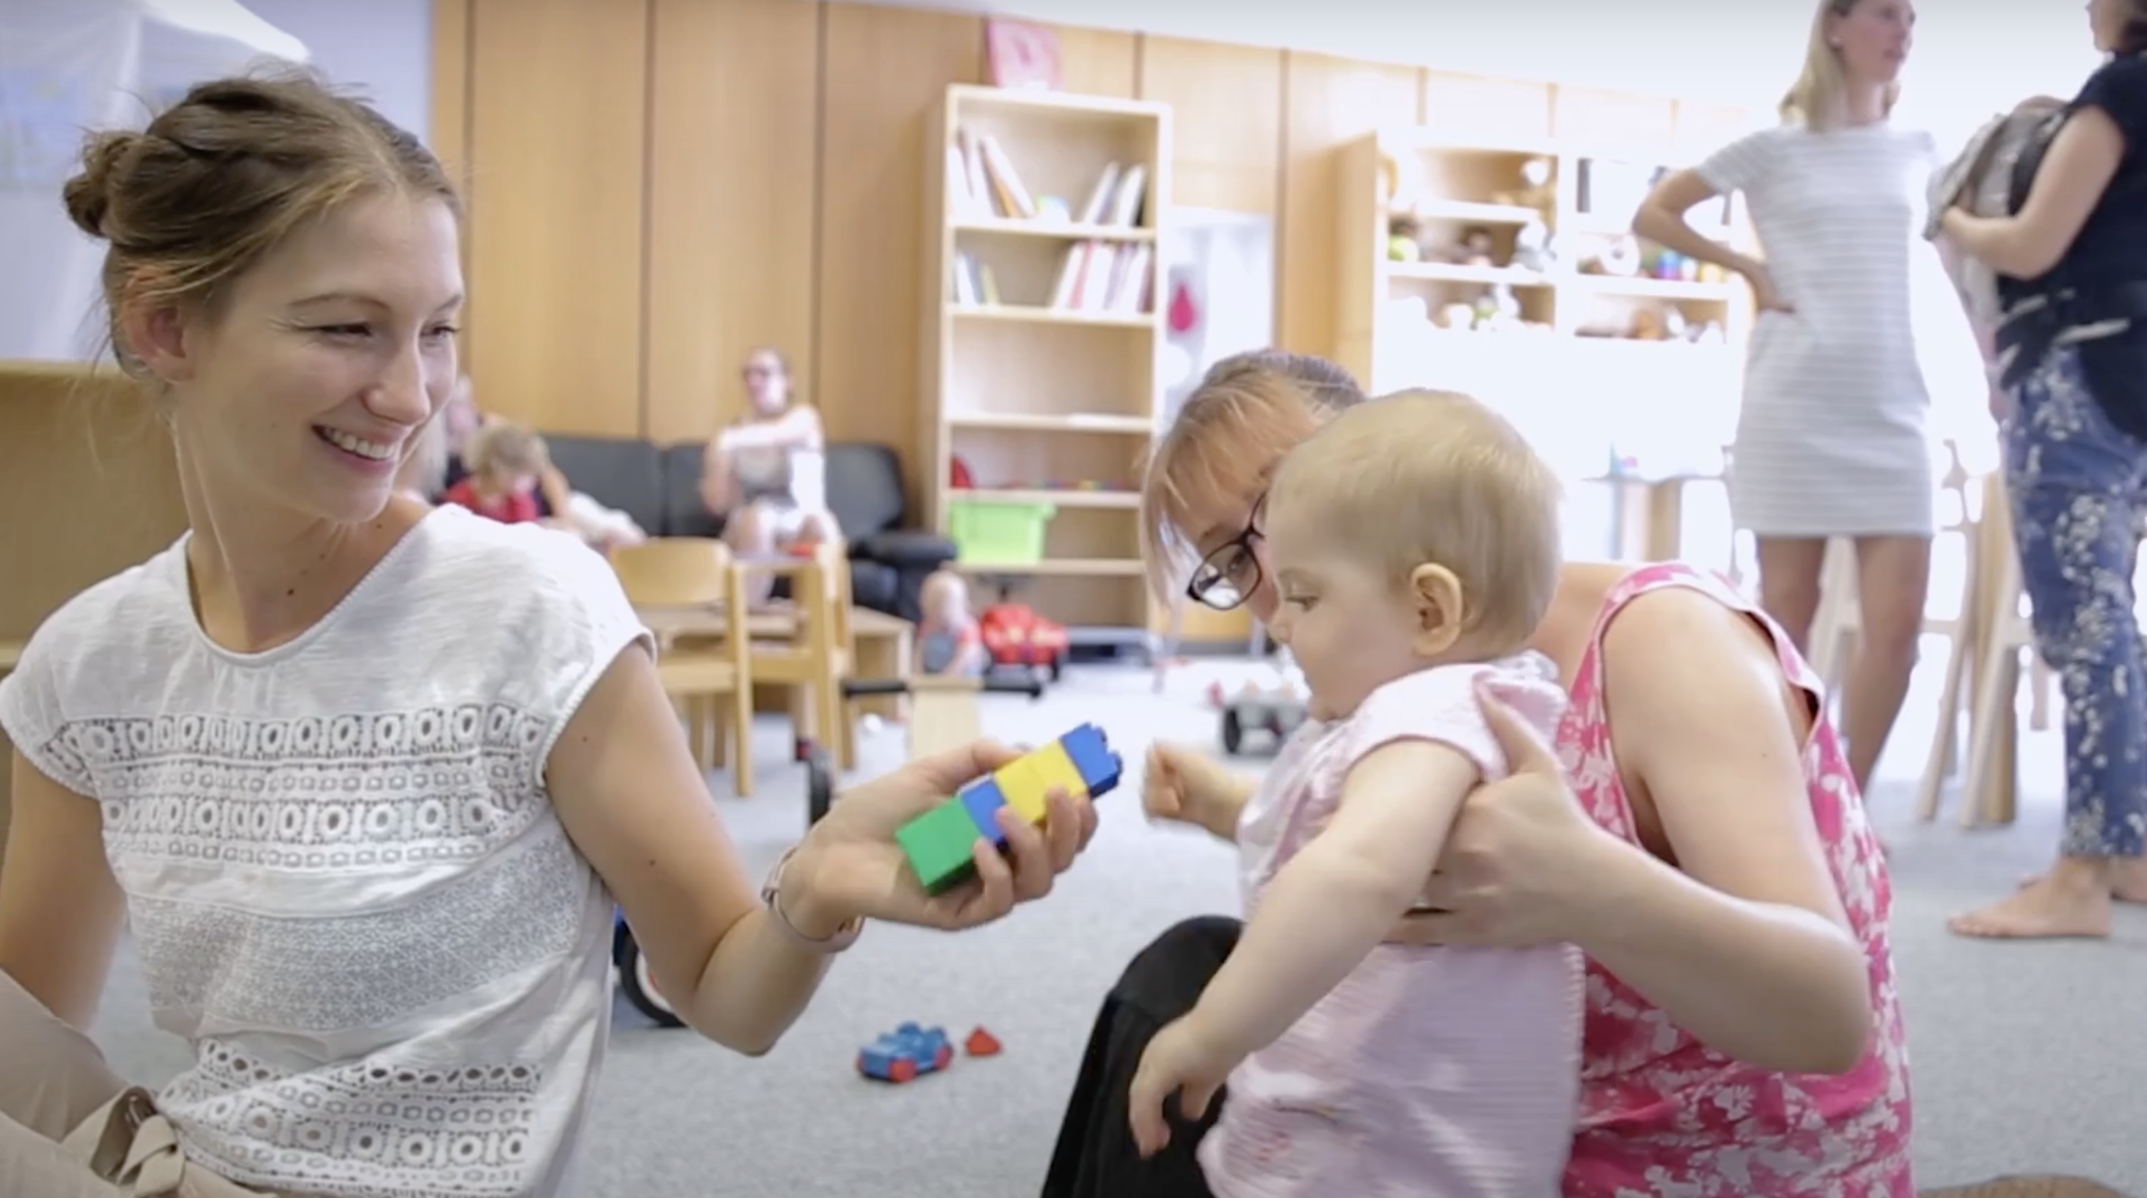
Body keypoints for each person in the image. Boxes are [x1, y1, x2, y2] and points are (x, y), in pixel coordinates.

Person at [0, 71, 1096, 1198]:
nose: (410, 394)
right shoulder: (87, 666)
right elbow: (33, 1049)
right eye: (347, 329)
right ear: (163, 325)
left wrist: (816, 883)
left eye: (436, 333)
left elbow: (726, 988)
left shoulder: (527, 611)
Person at [1043, 351, 1908, 1198]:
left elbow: (1830, 1015)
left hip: (1682, 1167)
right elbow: (1418, 858)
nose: (1270, 578)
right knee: (1194, 977)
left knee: (1199, 1007)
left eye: (1277, 499)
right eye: (1231, 561)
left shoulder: (1660, 639)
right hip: (1510, 1128)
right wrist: (1234, 805)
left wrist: (1587, 886)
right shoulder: (1412, 674)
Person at [1124, 391, 1583, 1196]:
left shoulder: (1431, 707)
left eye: (1303, 595)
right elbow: (1345, 831)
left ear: (1428, 609)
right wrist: (1228, 808)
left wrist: (1210, 1029)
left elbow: (1359, 869)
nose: (1282, 623)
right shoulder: (1430, 705)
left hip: (1380, 1157)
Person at [1631, 0, 1936, 795]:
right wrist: (1749, 270)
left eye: (1910, 18)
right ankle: (1783, 794)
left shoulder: (1919, 149)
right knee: (1787, 618)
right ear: (1834, 26)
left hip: (1896, 401)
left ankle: (1849, 804)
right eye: (1884, 15)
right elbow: (1654, 211)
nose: (1902, 30)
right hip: (1794, 398)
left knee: (1897, 628)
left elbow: (1962, 265)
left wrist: (1992, 362)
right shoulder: (1773, 146)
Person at [1937, 0, 2147, 939]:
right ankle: (2128, 852)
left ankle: (2078, 877)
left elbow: (2027, 242)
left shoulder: (2120, 89)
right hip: (2136, 376)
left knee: (2087, 625)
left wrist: (1953, 218)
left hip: (2079, 374)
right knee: (2117, 621)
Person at [701, 348, 843, 568]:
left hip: (799, 520)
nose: (754, 381)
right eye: (748, 374)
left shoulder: (804, 418)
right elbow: (719, 504)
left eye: (764, 373)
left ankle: (829, 602)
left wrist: (726, 442)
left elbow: (776, 435)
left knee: (824, 524)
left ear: (787, 380)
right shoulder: (734, 430)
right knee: (759, 518)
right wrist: (715, 470)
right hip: (749, 523)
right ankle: (747, 602)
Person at [442, 418, 551, 525]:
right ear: (499, 469)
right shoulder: (457, 501)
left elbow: (527, 534)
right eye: (525, 475)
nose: (530, 482)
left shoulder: (520, 501)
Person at [916, 569, 987, 677]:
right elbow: (919, 650)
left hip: (962, 675)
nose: (937, 613)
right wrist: (916, 672)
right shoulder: (928, 625)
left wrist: (948, 677)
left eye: (943, 606)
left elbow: (964, 656)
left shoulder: (965, 627)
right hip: (933, 672)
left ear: (962, 605)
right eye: (933, 606)